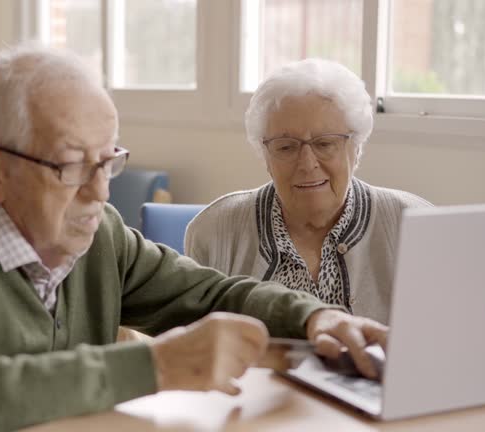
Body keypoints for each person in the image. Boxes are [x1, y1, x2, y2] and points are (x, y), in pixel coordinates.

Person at [0, 47, 388, 432]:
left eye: (109, 160)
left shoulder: (98, 235)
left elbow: (209, 294)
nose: (100, 192)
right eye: (74, 165)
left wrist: (316, 318)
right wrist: (157, 366)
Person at [185, 59, 431, 325]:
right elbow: (194, 352)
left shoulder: (416, 224)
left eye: (325, 144)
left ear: (357, 148)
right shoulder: (214, 232)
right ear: (266, 156)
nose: (307, 164)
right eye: (286, 147)